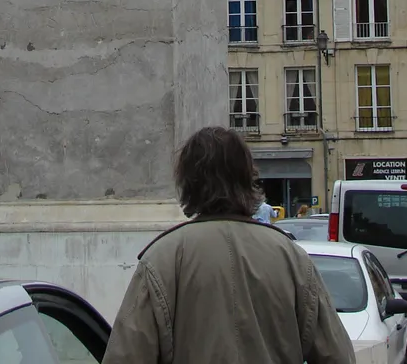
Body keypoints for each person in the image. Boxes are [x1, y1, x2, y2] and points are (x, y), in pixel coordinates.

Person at [102, 127, 354, 364]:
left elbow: (126, 356)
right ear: (248, 178)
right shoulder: (291, 258)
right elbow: (337, 355)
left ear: (188, 183)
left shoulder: (162, 259)